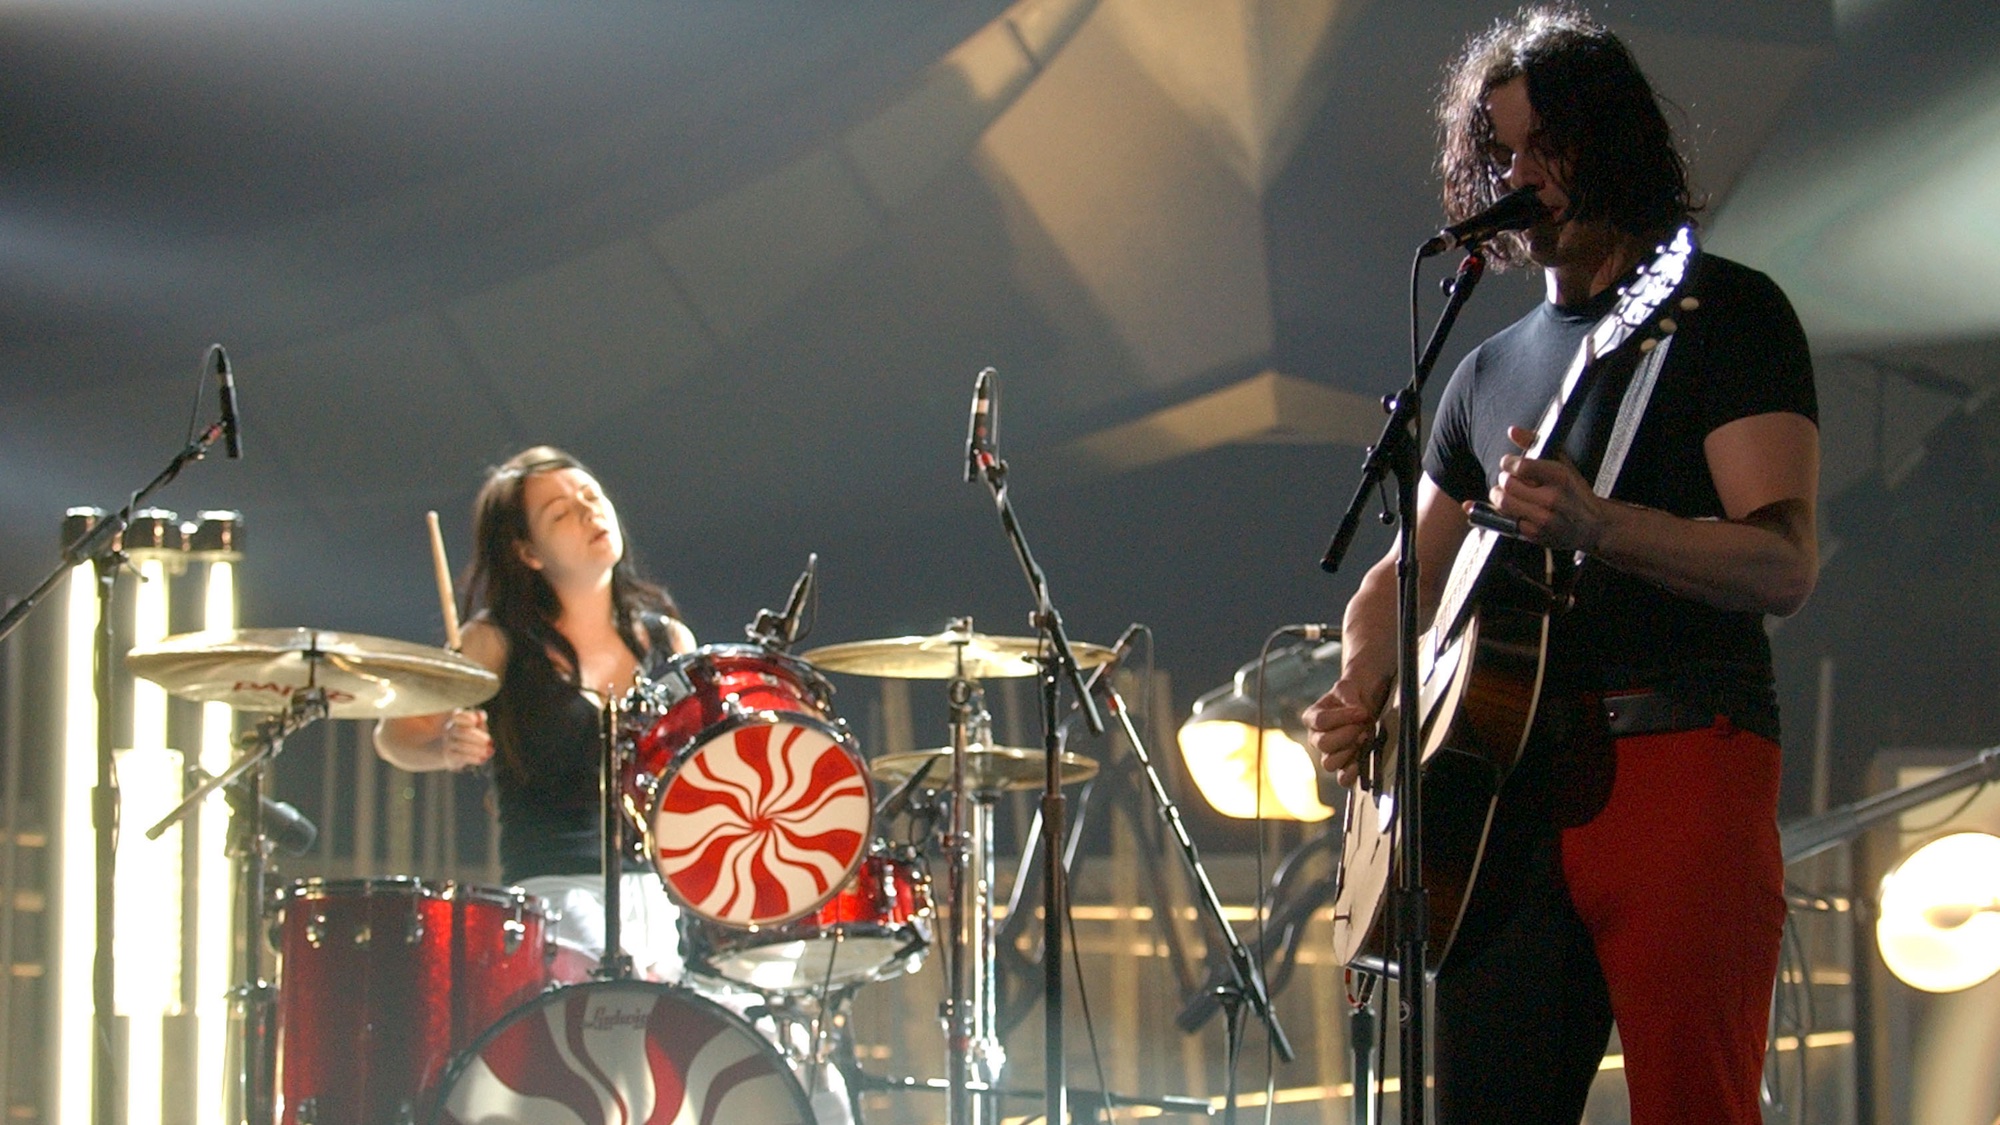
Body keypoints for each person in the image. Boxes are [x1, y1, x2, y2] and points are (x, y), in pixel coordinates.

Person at [1302, 7, 1818, 1124]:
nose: (1520, 175)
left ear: (1612, 143)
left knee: (1694, 1102)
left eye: (1547, 145)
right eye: (1497, 154)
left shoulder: (1723, 315)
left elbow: (1781, 563)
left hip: (1678, 752)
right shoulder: (1482, 373)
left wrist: (1601, 526)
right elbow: (1398, 581)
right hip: (1503, 801)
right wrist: (1362, 686)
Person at [375, 445, 697, 982]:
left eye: (591, 497)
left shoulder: (668, 640)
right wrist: (444, 745)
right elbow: (394, 736)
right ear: (528, 552)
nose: (590, 512)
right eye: (561, 513)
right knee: (614, 995)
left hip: (661, 891)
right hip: (555, 892)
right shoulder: (495, 641)